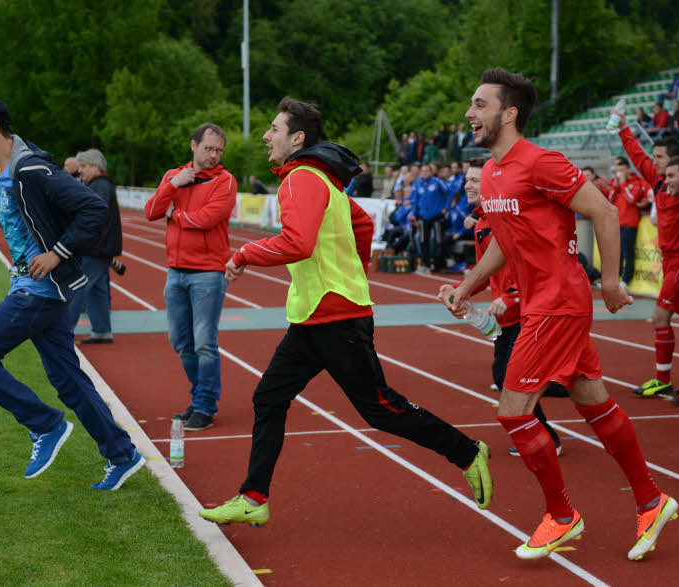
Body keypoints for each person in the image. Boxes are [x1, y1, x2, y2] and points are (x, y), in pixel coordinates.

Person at [200, 97, 493, 529]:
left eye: (274, 129)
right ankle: (254, 496)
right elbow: (362, 225)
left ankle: (467, 452)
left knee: (379, 408)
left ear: (297, 138)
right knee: (269, 398)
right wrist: (349, 272)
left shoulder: (302, 178)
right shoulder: (326, 182)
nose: (266, 136)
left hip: (335, 316)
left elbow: (297, 244)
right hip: (315, 315)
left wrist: (243, 254)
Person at [443, 68, 678, 562]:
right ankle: (652, 502)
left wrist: (611, 282)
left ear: (509, 114)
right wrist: (468, 285)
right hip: (538, 306)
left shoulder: (541, 163)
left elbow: (606, 213)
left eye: (479, 104)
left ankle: (563, 516)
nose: (470, 113)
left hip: (559, 304)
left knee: (513, 412)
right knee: (593, 402)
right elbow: (504, 245)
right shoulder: (489, 172)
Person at [0, 95, 144, 490]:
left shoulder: (30, 169)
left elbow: (93, 210)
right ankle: (123, 454)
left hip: (42, 289)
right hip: (30, 286)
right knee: (68, 380)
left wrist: (57, 254)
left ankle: (45, 425)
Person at [447, 159, 563, 455]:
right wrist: (461, 291)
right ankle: (566, 390)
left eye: (474, 180)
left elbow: (530, 265)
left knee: (511, 379)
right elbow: (484, 272)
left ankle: (548, 435)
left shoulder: (507, 220)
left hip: (527, 311)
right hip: (505, 318)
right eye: (466, 180)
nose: (468, 186)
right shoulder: (480, 226)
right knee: (504, 377)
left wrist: (510, 297)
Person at [144, 122, 237, 431]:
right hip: (176, 271)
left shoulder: (225, 181)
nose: (214, 155)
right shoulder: (174, 176)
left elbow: (208, 219)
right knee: (181, 341)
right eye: (208, 148)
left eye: (219, 150)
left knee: (204, 343)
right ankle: (199, 397)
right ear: (194, 146)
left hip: (208, 273)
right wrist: (173, 185)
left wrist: (176, 215)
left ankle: (205, 406)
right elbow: (151, 211)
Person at [612, 110, 679, 403]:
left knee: (660, 317)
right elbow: (638, 158)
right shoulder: (662, 183)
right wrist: (624, 129)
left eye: (660, 157)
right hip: (671, 262)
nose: (654, 161)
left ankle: (666, 379)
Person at [66, 149, 122, 344]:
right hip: (100, 247)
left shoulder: (99, 186)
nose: (80, 171)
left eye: (83, 166)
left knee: (78, 287)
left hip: (95, 248)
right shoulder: (100, 185)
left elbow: (91, 213)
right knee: (97, 290)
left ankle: (64, 332)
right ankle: (102, 330)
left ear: (95, 167)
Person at [608, 157, 652, 285]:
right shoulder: (617, 184)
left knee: (628, 253)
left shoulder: (636, 183)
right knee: (617, 254)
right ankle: (616, 278)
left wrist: (622, 184)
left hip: (629, 224)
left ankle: (626, 280)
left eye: (621, 170)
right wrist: (616, 186)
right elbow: (610, 199)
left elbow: (632, 199)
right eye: (617, 171)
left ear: (628, 170)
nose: (619, 174)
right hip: (617, 223)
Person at [409, 162, 451, 273]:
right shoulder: (417, 184)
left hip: (437, 215)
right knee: (423, 240)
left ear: (431, 172)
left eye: (426, 171)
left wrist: (446, 208)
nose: (424, 173)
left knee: (438, 240)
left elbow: (450, 193)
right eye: (422, 171)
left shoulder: (437, 182)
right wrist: (414, 213)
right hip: (423, 216)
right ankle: (425, 265)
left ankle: (437, 265)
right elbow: (415, 200)